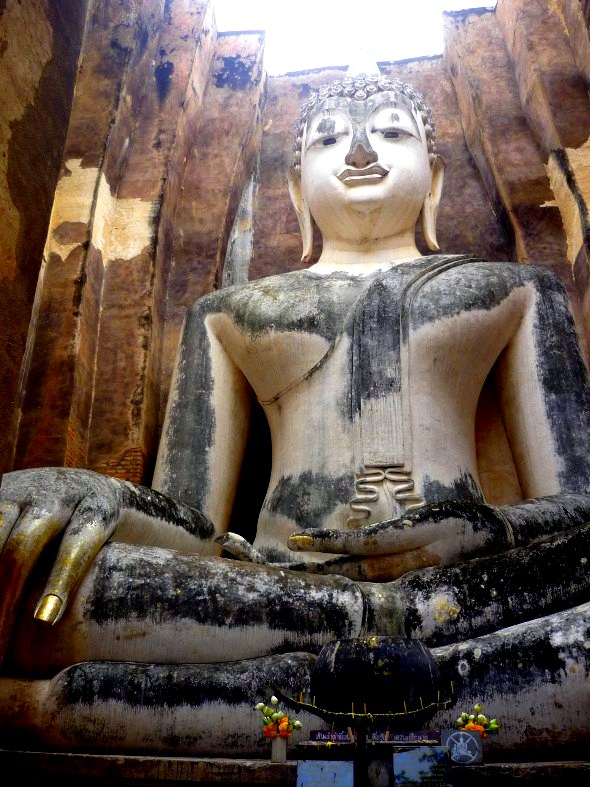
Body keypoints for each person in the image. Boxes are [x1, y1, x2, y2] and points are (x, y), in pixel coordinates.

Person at [1, 73, 590, 753]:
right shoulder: (230, 314)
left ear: (434, 177)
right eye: (331, 138)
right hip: (278, 593)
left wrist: (491, 530)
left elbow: (577, 506)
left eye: (393, 132)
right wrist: (92, 493)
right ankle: (456, 701)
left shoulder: (515, 290)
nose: (362, 153)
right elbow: (192, 527)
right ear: (293, 187)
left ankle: (202, 706)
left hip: (471, 595)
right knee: (44, 577)